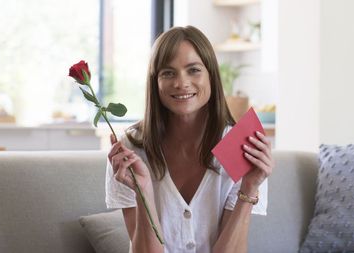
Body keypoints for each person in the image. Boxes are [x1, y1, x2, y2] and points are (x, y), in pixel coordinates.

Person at [106, 25, 274, 253]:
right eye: (168, 73)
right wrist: (142, 191)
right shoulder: (130, 150)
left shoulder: (241, 146)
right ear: (155, 82)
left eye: (193, 70)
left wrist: (250, 187)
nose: (181, 83)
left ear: (211, 75)